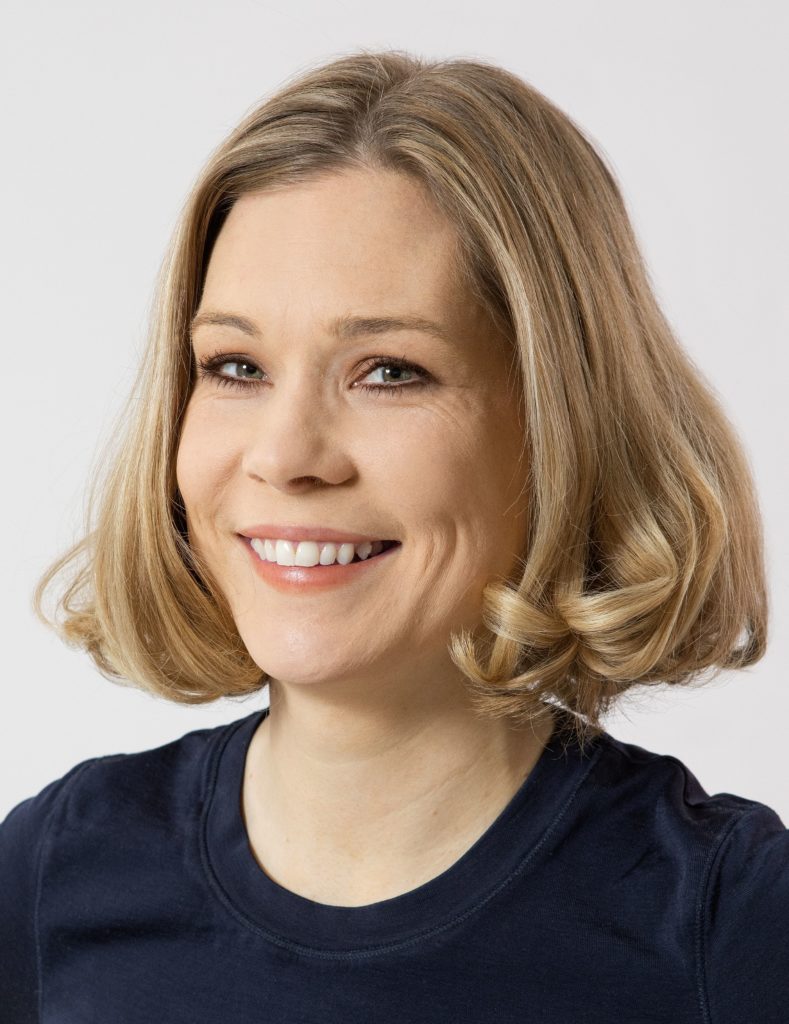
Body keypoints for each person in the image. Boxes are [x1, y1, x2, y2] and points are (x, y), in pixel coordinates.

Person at [1, 48, 786, 1023]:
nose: (286, 455)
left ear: (559, 425)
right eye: (236, 367)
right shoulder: (49, 881)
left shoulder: (734, 925)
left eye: (388, 371)